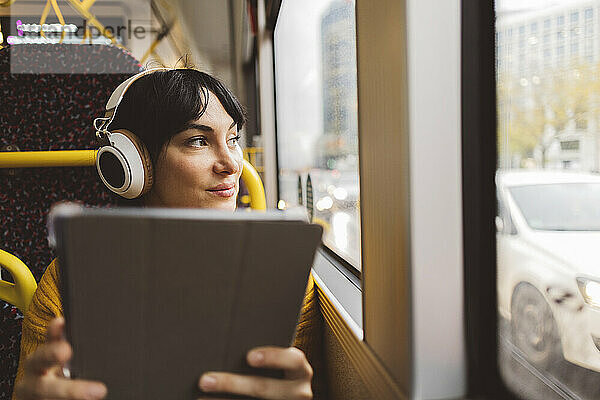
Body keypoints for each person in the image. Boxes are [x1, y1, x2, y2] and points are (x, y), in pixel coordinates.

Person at [12, 68, 320, 400]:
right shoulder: (68, 280)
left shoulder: (287, 276)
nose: (231, 164)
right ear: (134, 163)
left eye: (232, 139)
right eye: (198, 140)